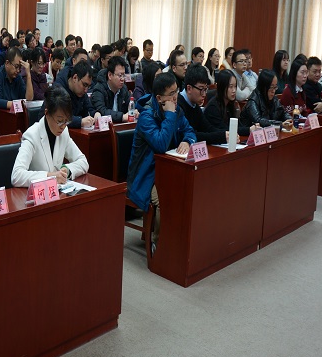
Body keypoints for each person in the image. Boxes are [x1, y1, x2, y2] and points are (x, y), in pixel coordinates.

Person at [127, 72, 196, 249]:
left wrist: (187, 141)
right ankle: (159, 247)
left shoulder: (176, 110)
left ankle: (177, 241)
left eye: (177, 91)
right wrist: (170, 115)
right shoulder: (146, 116)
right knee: (165, 200)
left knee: (188, 190)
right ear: (159, 98)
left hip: (168, 170)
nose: (176, 97)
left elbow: (190, 130)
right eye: (171, 94)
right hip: (146, 176)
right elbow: (161, 144)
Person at [11, 87, 89, 187]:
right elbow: (16, 176)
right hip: (37, 193)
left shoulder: (64, 132)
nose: (63, 126)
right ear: (47, 113)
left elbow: (83, 161)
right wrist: (49, 176)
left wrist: (67, 170)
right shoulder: (32, 135)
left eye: (66, 121)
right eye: (59, 121)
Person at [177, 65, 228, 145]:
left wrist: (227, 134)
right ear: (189, 88)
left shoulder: (195, 105)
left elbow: (207, 128)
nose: (204, 94)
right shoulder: (178, 105)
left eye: (205, 89)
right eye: (201, 89)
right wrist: (221, 136)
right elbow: (191, 135)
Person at [0, 46, 33, 130]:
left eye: (20, 67)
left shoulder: (17, 77)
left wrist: (28, 74)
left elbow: (29, 98)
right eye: (16, 66)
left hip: (14, 120)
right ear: (7, 63)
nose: (18, 70)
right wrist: (18, 105)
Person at [204, 70, 258, 136]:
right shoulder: (213, 107)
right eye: (230, 87)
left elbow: (236, 125)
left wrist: (253, 127)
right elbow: (225, 130)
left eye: (235, 86)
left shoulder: (230, 104)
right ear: (222, 87)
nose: (234, 90)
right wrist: (248, 130)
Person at [91, 56, 130, 123]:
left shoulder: (123, 88)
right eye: (120, 75)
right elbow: (102, 111)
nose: (122, 79)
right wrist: (122, 117)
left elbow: (130, 104)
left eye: (124, 75)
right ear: (110, 75)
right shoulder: (99, 89)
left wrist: (134, 110)